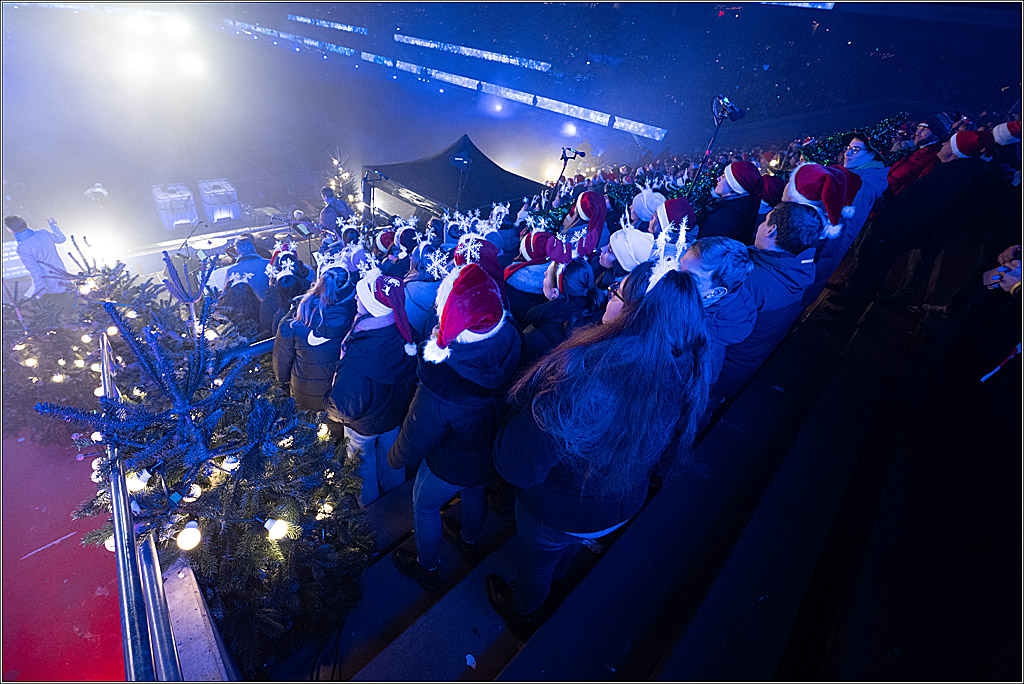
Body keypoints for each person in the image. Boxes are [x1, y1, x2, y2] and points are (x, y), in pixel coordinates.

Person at [485, 261, 711, 639]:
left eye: (617, 292)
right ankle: (559, 576)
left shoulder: (582, 378)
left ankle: (523, 613)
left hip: (559, 510)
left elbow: (518, 468)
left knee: (537, 565)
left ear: (636, 314)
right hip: (618, 504)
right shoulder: (687, 365)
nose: (608, 294)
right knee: (567, 549)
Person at [389, 263, 522, 590]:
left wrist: (394, 459)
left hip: (451, 464)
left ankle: (428, 567)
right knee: (475, 492)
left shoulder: (442, 382)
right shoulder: (511, 338)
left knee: (424, 505)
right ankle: (470, 542)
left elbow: (416, 435)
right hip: (490, 452)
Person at [711, 202, 823, 407]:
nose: (761, 225)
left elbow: (715, 330)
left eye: (765, 221)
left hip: (719, 371)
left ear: (772, 230)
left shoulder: (752, 282)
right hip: (744, 365)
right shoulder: (797, 268)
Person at [326, 269, 418, 506]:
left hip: (362, 426)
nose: (356, 300)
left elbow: (345, 407)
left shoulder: (361, 352)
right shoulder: (406, 332)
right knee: (391, 460)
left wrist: (328, 403)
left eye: (361, 297)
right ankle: (396, 505)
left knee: (362, 469)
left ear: (372, 307)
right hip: (394, 416)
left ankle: (371, 517)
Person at [273, 264, 355, 438]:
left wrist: (285, 382)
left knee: (308, 441)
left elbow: (282, 365)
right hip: (339, 397)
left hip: (304, 393)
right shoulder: (357, 318)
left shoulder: (295, 320)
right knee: (337, 443)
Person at [677, 237, 757, 389]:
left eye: (689, 276)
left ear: (716, 292)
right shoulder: (711, 293)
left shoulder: (706, 346)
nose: (675, 277)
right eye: (680, 265)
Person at [522, 258, 606, 364]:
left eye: (546, 275)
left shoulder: (535, 339)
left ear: (555, 293)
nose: (544, 273)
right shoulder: (595, 311)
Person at [3, 215, 72, 326]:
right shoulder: (43, 233)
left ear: (11, 230)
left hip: (50, 289)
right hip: (65, 280)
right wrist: (54, 226)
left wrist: (39, 293)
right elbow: (61, 239)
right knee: (72, 316)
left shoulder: (22, 247)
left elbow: (36, 273)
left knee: (56, 323)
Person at [699, 161, 763, 242]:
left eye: (723, 177)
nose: (717, 179)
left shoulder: (723, 219)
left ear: (733, 187)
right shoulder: (740, 208)